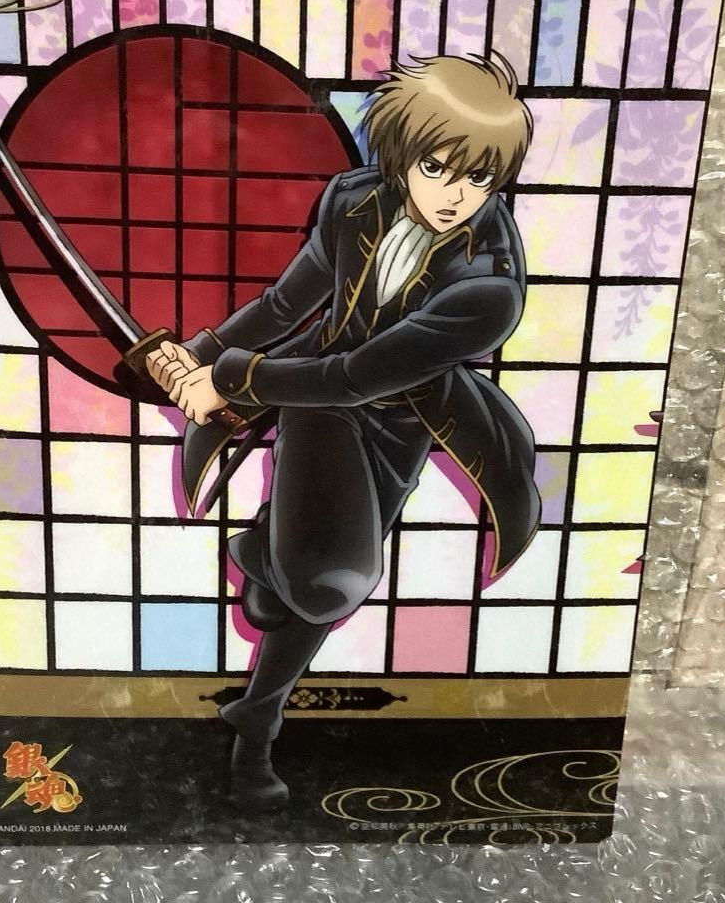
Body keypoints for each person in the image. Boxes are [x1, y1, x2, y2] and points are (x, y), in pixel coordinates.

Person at [147, 53, 541, 807]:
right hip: (312, 399)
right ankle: (260, 722)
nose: (456, 195)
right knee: (331, 579)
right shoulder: (354, 200)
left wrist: (231, 377)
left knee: (313, 583)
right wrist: (198, 354)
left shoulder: (489, 286)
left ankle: (260, 595)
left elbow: (360, 375)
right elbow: (283, 305)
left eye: (479, 177)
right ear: (401, 153)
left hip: (396, 424)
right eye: (435, 167)